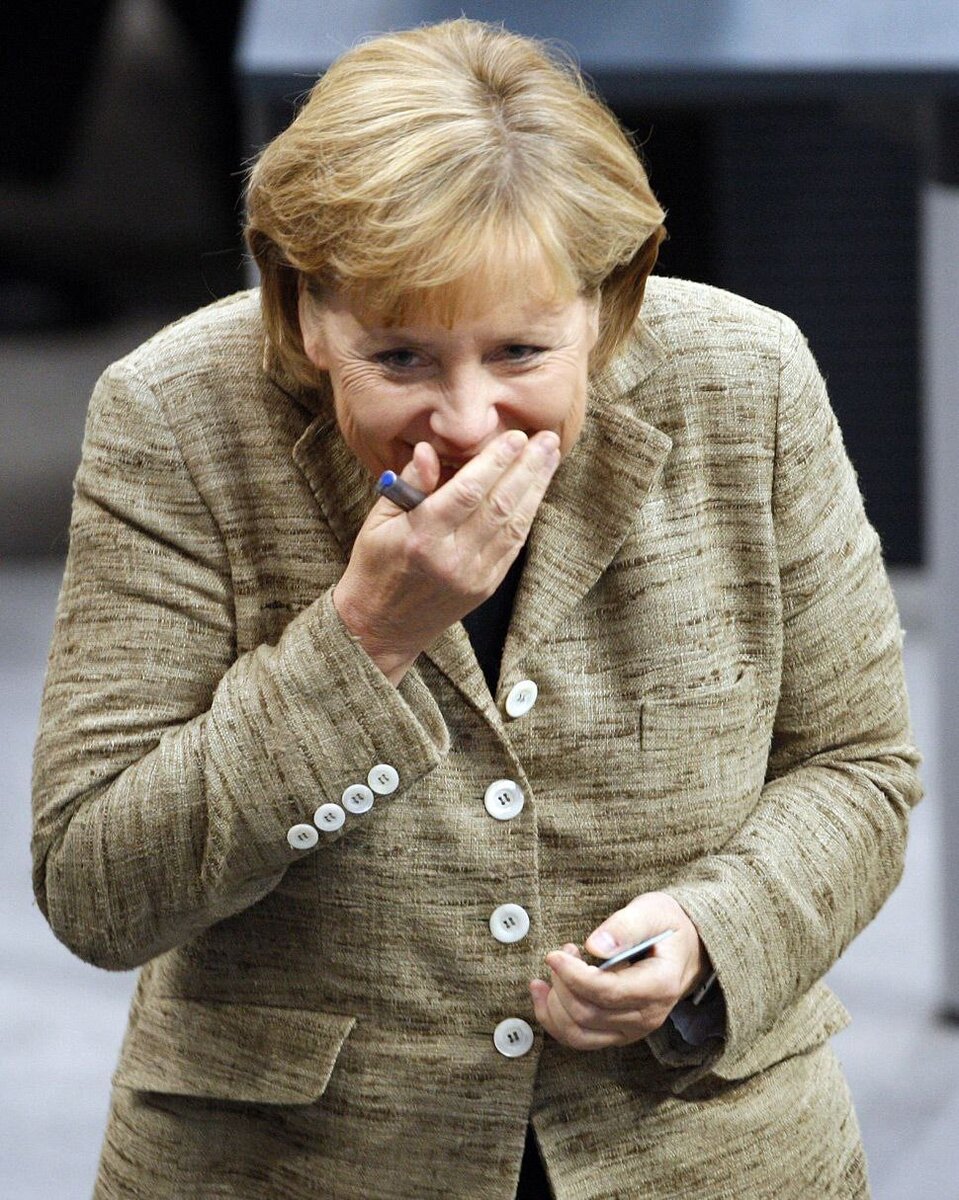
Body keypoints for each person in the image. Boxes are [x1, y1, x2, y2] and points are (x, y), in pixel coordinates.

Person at [31, 18, 921, 1200]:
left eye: (518, 351)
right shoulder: (176, 417)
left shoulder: (746, 383)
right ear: (303, 310)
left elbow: (857, 768)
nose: (464, 420)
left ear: (605, 303)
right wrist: (365, 641)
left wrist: (713, 931)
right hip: (294, 1164)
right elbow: (97, 886)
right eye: (399, 358)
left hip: (699, 1149)